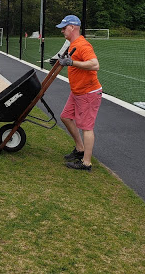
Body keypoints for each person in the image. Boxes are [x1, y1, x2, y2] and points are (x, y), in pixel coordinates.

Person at [55, 15, 102, 171]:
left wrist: (72, 62)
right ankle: (80, 148)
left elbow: (95, 64)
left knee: (86, 127)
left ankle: (86, 163)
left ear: (72, 27)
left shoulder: (82, 45)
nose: (62, 31)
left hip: (88, 92)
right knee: (66, 117)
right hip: (77, 91)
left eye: (64, 28)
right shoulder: (72, 44)